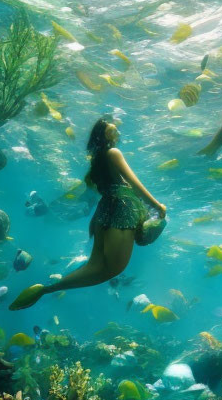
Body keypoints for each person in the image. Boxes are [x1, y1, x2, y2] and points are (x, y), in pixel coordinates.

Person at [9, 118, 166, 310]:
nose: (117, 133)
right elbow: (134, 183)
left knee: (95, 266)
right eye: (112, 131)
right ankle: (47, 289)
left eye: (116, 130)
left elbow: (96, 192)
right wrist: (156, 205)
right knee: (112, 268)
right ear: (103, 135)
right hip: (122, 212)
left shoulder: (96, 161)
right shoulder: (113, 153)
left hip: (104, 213)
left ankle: (46, 289)